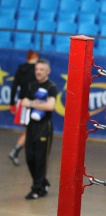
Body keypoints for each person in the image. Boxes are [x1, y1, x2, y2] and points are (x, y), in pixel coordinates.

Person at [21, 58, 57, 199]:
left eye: (41, 69)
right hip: (31, 126)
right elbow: (24, 102)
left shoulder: (51, 87)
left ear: (48, 71)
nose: (38, 72)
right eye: (37, 69)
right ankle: (43, 182)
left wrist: (31, 103)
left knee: (40, 159)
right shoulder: (31, 86)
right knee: (29, 158)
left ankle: (37, 189)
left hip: (44, 127)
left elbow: (50, 106)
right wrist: (33, 103)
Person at [8, 49, 39, 166]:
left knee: (31, 130)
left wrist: (12, 103)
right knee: (30, 131)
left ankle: (19, 152)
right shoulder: (36, 70)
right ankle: (16, 151)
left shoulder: (21, 69)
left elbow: (14, 86)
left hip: (22, 102)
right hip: (31, 103)